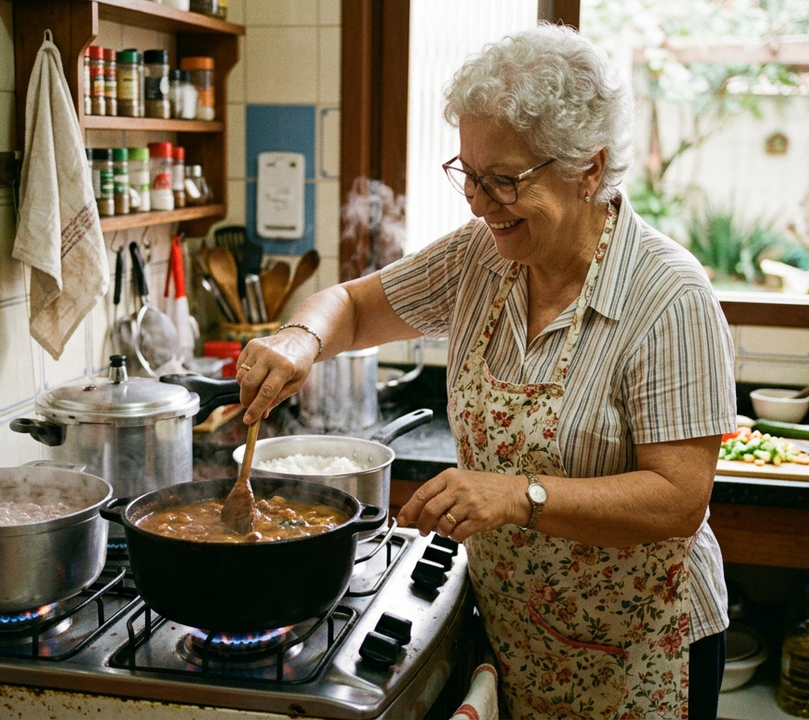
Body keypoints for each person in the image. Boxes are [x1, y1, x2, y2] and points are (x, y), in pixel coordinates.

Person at [234, 23, 736, 718]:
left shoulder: (669, 296)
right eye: (467, 172)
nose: (476, 199)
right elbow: (349, 306)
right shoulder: (482, 255)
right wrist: (298, 338)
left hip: (643, 650)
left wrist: (517, 496)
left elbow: (679, 499)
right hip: (521, 632)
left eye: (503, 180)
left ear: (590, 168)